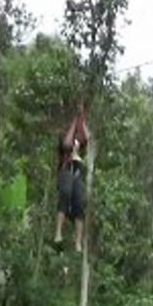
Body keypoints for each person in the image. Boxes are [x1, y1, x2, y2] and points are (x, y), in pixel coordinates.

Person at [55, 105, 89, 252]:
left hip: (77, 171)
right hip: (66, 168)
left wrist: (82, 119)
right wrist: (75, 121)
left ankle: (78, 242)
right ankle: (58, 232)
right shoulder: (65, 135)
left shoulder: (80, 140)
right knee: (65, 193)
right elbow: (66, 144)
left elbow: (87, 137)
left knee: (79, 205)